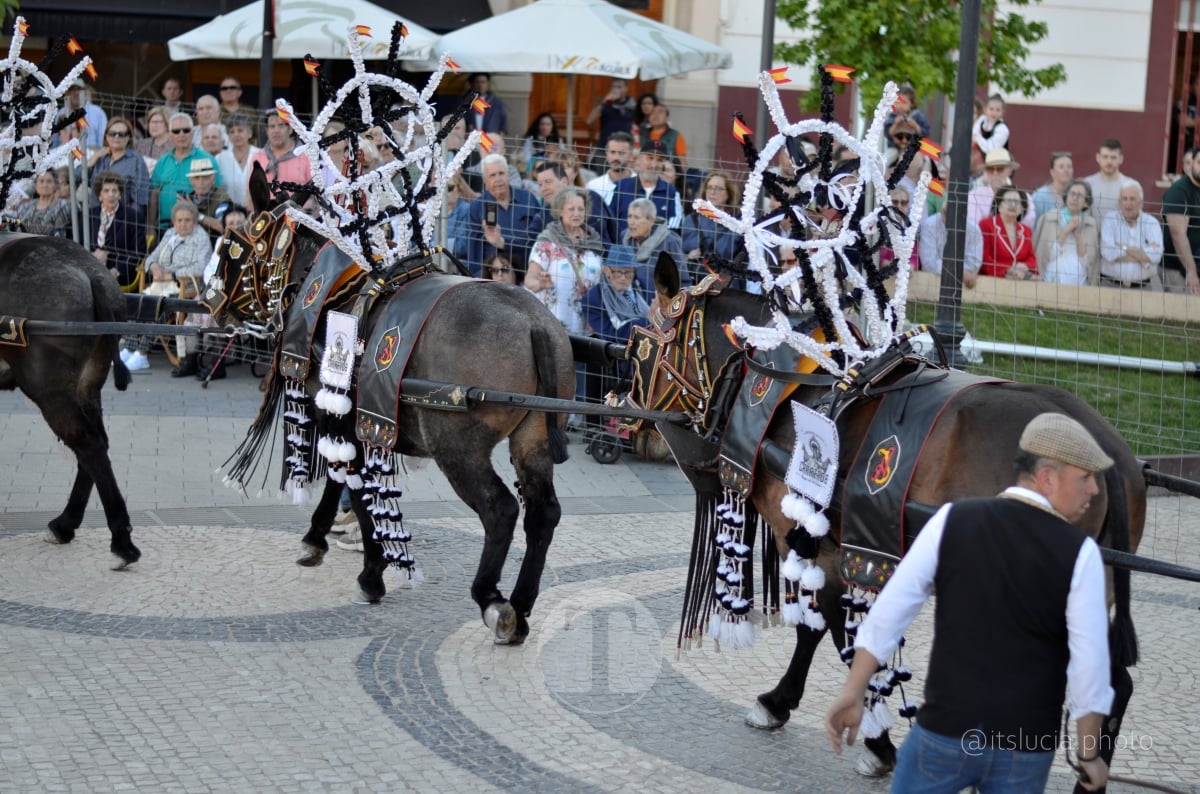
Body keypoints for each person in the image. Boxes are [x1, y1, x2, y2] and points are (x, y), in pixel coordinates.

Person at [825, 412, 1115, 794]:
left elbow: (890, 611)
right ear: (1047, 477)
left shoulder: (951, 520)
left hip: (943, 733)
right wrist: (1089, 752)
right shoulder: (1082, 555)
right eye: (1086, 477)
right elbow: (1089, 667)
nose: (1094, 490)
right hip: (1025, 747)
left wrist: (853, 689)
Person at [122, 201, 213, 373]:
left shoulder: (201, 237)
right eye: (179, 220)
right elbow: (151, 258)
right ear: (173, 222)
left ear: (194, 222)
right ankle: (129, 349)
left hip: (183, 288)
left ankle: (142, 354)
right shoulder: (170, 234)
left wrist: (172, 275)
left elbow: (201, 267)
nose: (183, 224)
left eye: (187, 220)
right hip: (159, 285)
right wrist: (155, 267)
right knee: (137, 304)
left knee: (156, 309)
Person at [581, 244, 651, 433]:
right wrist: (645, 321)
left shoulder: (641, 287)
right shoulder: (593, 298)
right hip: (616, 359)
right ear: (607, 271)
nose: (623, 278)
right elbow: (610, 334)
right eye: (618, 272)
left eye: (628, 273)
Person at [526, 186, 604, 334]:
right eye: (571, 209)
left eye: (581, 209)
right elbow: (530, 280)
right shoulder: (547, 242)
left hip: (588, 327)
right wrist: (541, 283)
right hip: (554, 325)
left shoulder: (594, 242)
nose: (576, 214)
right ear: (560, 211)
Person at [465, 152, 544, 277]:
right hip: (495, 277)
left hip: (528, 271)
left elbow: (537, 238)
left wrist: (501, 242)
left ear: (508, 175)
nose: (498, 179)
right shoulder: (476, 207)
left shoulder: (527, 198)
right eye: (492, 175)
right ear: (484, 180)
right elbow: (474, 252)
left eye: (501, 173)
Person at [148, 112, 219, 238]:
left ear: (193, 133)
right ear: (170, 135)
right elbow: (154, 193)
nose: (181, 134)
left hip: (196, 228)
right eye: (176, 131)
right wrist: (150, 226)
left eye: (186, 130)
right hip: (164, 227)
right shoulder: (163, 161)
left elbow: (217, 193)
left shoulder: (206, 159)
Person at [606, 137, 683, 242]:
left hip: (656, 252)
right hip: (622, 250)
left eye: (659, 160)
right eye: (650, 158)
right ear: (639, 159)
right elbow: (606, 219)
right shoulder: (619, 187)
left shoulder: (671, 192)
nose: (654, 165)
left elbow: (674, 227)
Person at [1100, 179, 1164, 290]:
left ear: (1141, 203)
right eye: (1124, 199)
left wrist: (1122, 247)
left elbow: (1156, 255)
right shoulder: (1110, 219)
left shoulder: (1151, 222)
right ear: (1119, 202)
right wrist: (1143, 254)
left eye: (1132, 199)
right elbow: (1107, 252)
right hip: (1111, 285)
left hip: (1142, 288)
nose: (1128, 204)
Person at [1032, 179, 1099, 286]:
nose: (1074, 198)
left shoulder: (1091, 225)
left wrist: (1078, 236)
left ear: (1086, 202)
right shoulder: (1049, 219)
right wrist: (1067, 230)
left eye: (1080, 195)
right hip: (1050, 279)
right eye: (1072, 194)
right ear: (1066, 197)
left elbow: (1087, 262)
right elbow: (1045, 255)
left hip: (1078, 282)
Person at [83, 116, 151, 218]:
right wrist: (93, 159)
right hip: (97, 217)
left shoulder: (136, 161)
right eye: (112, 134)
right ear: (106, 136)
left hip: (123, 219)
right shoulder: (100, 158)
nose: (116, 137)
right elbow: (77, 178)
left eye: (122, 134)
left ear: (128, 138)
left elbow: (140, 198)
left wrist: (128, 220)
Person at [622, 197, 687, 302]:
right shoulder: (624, 237)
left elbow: (684, 281)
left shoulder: (670, 242)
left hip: (660, 304)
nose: (631, 222)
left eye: (637, 218)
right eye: (629, 216)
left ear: (651, 220)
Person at [89, 170, 145, 288]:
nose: (111, 195)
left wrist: (116, 271)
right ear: (99, 196)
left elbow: (138, 251)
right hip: (89, 272)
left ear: (120, 194)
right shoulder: (88, 215)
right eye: (106, 191)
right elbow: (77, 244)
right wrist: (92, 256)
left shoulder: (133, 217)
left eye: (115, 191)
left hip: (119, 275)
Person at [682, 170, 744, 277]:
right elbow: (678, 254)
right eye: (709, 187)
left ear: (728, 194)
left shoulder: (737, 224)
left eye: (719, 189)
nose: (713, 192)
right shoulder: (691, 220)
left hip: (726, 282)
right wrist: (688, 257)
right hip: (694, 280)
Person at [249, 109, 312, 203]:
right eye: (272, 126)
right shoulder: (257, 158)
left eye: (281, 125)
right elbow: (250, 194)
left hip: (297, 212)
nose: (276, 130)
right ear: (267, 131)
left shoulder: (306, 156)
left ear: (290, 129)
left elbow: (314, 193)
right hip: (266, 214)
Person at [1162, 145, 1200, 295]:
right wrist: (1191, 271)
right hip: (1179, 270)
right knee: (1183, 315)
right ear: (1192, 164)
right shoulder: (1179, 191)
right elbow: (1178, 235)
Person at [917, 202, 984, 288]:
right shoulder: (929, 224)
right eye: (947, 212)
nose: (951, 217)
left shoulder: (974, 230)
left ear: (965, 215)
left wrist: (948, 269)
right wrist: (961, 273)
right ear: (941, 211)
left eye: (957, 214)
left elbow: (973, 264)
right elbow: (928, 263)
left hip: (961, 284)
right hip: (932, 282)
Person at [979, 186, 1038, 280]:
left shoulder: (1026, 231)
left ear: (1022, 209)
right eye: (1008, 201)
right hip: (992, 280)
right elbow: (984, 259)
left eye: (1017, 202)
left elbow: (1032, 259)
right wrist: (1007, 271)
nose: (1013, 205)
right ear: (999, 205)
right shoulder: (986, 225)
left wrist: (1025, 266)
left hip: (1020, 281)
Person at [534, 160, 604, 239]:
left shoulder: (590, 197)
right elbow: (527, 239)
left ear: (564, 182)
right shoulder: (544, 214)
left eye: (548, 182)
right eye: (540, 185)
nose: (543, 189)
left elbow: (612, 232)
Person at [966, 148, 1034, 229]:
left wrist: (989, 220)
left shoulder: (1024, 197)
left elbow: (1027, 226)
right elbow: (974, 227)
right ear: (986, 172)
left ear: (1010, 171)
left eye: (1000, 169)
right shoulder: (974, 196)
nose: (995, 173)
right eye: (990, 169)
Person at [182, 158, 232, 243]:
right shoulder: (186, 198)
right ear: (191, 181)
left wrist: (196, 214)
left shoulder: (221, 198)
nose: (201, 182)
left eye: (206, 177)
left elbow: (223, 227)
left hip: (214, 246)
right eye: (196, 178)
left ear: (213, 179)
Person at [215, 113, 259, 209]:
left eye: (240, 130)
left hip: (257, 211)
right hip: (229, 212)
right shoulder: (220, 159)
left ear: (250, 133)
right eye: (232, 132)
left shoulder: (260, 155)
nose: (236, 135)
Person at [15, 170, 71, 236]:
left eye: (49, 181)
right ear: (36, 185)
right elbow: (19, 232)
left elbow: (59, 235)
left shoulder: (63, 206)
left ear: (56, 185)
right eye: (41, 181)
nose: (45, 185)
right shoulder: (25, 207)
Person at [586, 131, 635, 205]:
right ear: (606, 153)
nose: (616, 157)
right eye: (612, 152)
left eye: (621, 153)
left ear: (631, 155)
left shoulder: (641, 185)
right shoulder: (593, 186)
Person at [588, 77, 637, 151]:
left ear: (626, 88)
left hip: (624, 149)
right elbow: (589, 120)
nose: (616, 89)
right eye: (613, 87)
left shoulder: (632, 105)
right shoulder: (606, 104)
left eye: (619, 87)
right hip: (604, 147)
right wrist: (603, 103)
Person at [1082, 139, 1126, 221]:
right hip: (1092, 233)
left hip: (1118, 233)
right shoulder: (1086, 184)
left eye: (1113, 157)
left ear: (1121, 159)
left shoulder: (1130, 186)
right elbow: (1081, 215)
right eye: (1105, 157)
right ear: (1098, 157)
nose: (1109, 161)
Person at [640, 103, 687, 177]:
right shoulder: (643, 135)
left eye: (660, 112)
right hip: (644, 173)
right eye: (652, 112)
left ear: (667, 118)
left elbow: (682, 162)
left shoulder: (676, 136)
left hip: (666, 175)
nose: (655, 115)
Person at [59, 78, 107, 149]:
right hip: (65, 153)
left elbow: (103, 138)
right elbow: (56, 140)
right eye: (72, 90)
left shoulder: (97, 112)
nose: (76, 93)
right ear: (66, 93)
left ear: (85, 92)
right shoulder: (60, 113)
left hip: (92, 152)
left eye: (79, 89)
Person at [1030, 152, 1074, 219]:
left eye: (1069, 166)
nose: (1066, 170)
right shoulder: (1040, 195)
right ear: (1052, 172)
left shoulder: (1076, 195)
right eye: (1061, 167)